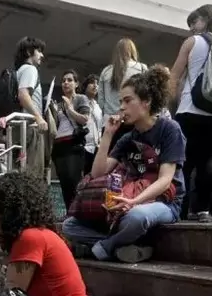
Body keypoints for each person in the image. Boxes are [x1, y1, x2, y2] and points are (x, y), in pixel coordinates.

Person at [63, 66, 186, 263]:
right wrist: (108, 134)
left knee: (135, 218)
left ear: (146, 102)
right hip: (127, 199)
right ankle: (128, 246)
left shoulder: (169, 129)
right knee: (70, 226)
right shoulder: (128, 138)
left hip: (164, 203)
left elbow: (165, 181)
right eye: (121, 101)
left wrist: (134, 203)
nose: (121, 107)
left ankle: (101, 249)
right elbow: (97, 172)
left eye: (128, 101)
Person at [170, 5, 212, 222]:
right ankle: (203, 211)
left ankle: (179, 209)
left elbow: (174, 76)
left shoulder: (193, 42)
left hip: (191, 107)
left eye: (194, 22)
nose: (191, 29)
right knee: (208, 160)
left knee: (183, 161)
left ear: (206, 19)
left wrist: (170, 105)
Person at [98, 38, 148, 153]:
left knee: (110, 159)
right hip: (133, 121)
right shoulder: (141, 68)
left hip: (110, 122)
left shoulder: (106, 71)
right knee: (134, 160)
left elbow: (101, 102)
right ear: (132, 51)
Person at [52, 70, 91, 208]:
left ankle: (77, 214)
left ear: (76, 84)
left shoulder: (81, 99)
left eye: (69, 80)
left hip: (73, 144)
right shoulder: (59, 103)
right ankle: (69, 214)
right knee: (64, 183)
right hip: (58, 146)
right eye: (63, 81)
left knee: (74, 181)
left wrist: (70, 108)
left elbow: (85, 119)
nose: (66, 83)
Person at [14, 36, 49, 177]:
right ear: (29, 52)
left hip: (22, 129)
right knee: (32, 173)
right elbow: (23, 94)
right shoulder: (30, 69)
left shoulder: (20, 70)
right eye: (39, 51)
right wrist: (39, 117)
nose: (42, 55)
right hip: (30, 128)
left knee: (22, 171)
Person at [81, 74, 103, 174]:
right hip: (83, 146)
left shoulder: (98, 106)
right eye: (92, 83)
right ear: (85, 86)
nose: (95, 86)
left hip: (96, 147)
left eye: (97, 84)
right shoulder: (79, 101)